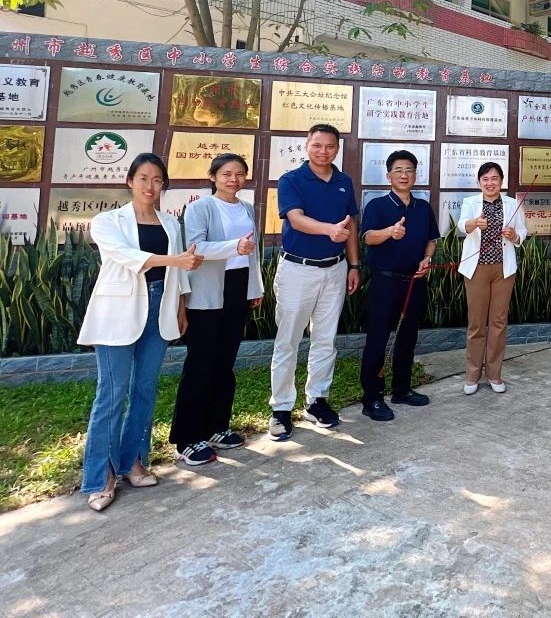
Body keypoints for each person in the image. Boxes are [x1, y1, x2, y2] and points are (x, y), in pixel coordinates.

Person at [78, 153, 202, 512]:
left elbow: (179, 274)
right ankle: (101, 476)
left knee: (145, 390)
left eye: (157, 180)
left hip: (160, 307)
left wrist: (180, 307)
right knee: (111, 394)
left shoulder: (171, 222)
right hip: (118, 312)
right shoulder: (107, 221)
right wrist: (175, 260)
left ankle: (133, 461)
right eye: (144, 178)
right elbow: (128, 256)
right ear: (130, 181)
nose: (150, 186)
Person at [169, 153, 263, 466]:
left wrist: (255, 288)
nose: (233, 179)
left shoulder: (247, 208)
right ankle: (186, 438)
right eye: (226, 174)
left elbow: (252, 252)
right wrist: (233, 247)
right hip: (207, 293)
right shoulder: (200, 208)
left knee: (224, 363)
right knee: (200, 365)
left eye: (239, 174)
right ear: (213, 177)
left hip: (238, 288)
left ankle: (216, 427)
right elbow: (196, 248)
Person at [269, 124, 360, 440]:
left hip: (335, 270)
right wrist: (328, 230)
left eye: (330, 146)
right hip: (298, 269)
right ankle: (281, 408)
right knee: (288, 341)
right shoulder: (291, 180)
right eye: (317, 145)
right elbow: (295, 219)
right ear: (306, 145)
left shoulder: (344, 182)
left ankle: (317, 400)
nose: (323, 151)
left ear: (337, 149)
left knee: (325, 339)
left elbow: (350, 226)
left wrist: (354, 264)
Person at [359, 150, 440, 421]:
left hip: (415, 283)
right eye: (398, 170)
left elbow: (431, 240)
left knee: (408, 338)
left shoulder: (423, 208)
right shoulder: (378, 206)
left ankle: (402, 389)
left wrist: (427, 259)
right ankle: (372, 397)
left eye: (409, 170)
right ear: (388, 175)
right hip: (385, 282)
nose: (404, 175)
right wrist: (389, 232)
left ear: (415, 175)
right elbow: (368, 237)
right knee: (378, 339)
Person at [458, 162, 528, 394]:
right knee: (476, 323)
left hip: (503, 270)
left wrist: (514, 235)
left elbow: (523, 233)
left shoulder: (512, 203)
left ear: (501, 181)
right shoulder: (470, 203)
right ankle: (472, 375)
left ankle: (495, 375)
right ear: (479, 182)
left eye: (494, 178)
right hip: (476, 269)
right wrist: (474, 223)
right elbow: (461, 225)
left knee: (498, 322)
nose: (490, 183)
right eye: (485, 179)